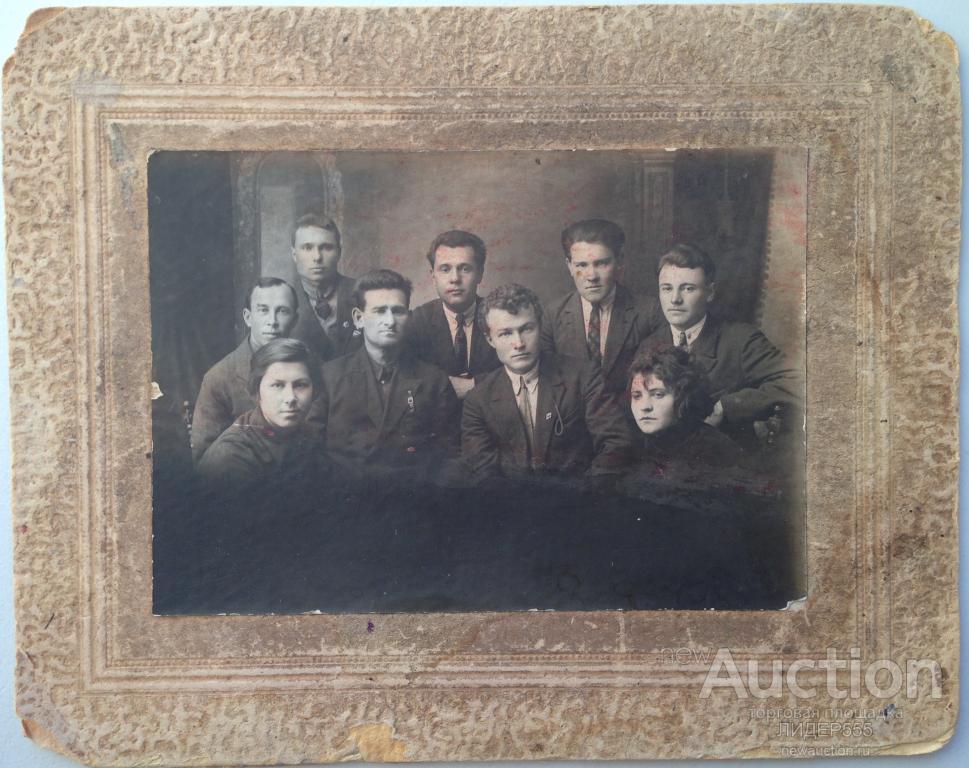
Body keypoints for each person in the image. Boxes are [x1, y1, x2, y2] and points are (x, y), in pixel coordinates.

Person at [462, 283, 634, 483]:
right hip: (511, 500)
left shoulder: (583, 377)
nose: (519, 343)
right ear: (490, 339)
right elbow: (483, 471)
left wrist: (585, 495)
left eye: (526, 329)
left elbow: (616, 443)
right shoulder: (478, 400)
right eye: (506, 333)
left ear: (540, 326)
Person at [639, 243, 800, 449]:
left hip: (726, 458)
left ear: (710, 292)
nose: (675, 299)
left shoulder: (741, 340)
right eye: (667, 288)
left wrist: (727, 407)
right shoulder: (649, 346)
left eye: (688, 288)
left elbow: (796, 382)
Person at [317, 269, 460, 482]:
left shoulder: (433, 380)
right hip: (345, 496)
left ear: (408, 318)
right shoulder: (330, 377)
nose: (390, 321)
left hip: (414, 495)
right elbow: (312, 449)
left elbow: (449, 453)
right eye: (379, 311)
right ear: (359, 318)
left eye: (398, 311)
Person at [541, 219, 661, 396]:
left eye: (601, 263)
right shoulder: (552, 315)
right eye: (582, 265)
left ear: (619, 261)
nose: (591, 276)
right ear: (569, 266)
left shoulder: (648, 312)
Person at [191, 277, 299, 464]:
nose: (272, 321)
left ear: (295, 319)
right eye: (263, 310)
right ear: (248, 318)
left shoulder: (311, 369)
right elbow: (204, 460)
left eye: (282, 311)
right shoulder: (219, 377)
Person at [197, 338, 326, 488]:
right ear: (256, 391)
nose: (290, 397)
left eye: (300, 385)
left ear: (314, 390)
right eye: (277, 385)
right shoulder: (231, 457)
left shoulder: (306, 435)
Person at [407, 230, 500, 399]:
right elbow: (408, 376)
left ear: (480, 274)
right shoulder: (417, 320)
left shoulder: (499, 315)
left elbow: (520, 370)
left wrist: (474, 385)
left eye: (465, 269)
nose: (455, 278)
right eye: (445, 269)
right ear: (433, 276)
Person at [289, 212, 360, 361]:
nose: (317, 257)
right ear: (294, 254)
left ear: (339, 252)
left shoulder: (362, 293)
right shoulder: (284, 300)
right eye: (307, 248)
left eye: (326, 247)